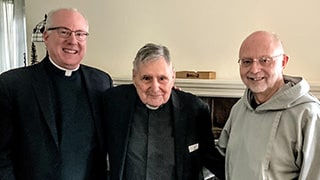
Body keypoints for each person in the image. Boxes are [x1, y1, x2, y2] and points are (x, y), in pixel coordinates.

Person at [0, 8, 113, 180]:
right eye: (64, 32)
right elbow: (1, 156)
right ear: (46, 37)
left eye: (80, 34)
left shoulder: (102, 82)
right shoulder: (12, 84)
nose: (73, 40)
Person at [103, 43, 225, 180]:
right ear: (134, 76)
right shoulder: (113, 102)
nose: (155, 88)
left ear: (173, 77)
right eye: (146, 78)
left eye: (162, 78)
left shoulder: (194, 109)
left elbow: (210, 158)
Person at [217, 30, 320, 179]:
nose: (254, 69)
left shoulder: (308, 114)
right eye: (247, 61)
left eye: (264, 60)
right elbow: (220, 160)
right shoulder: (239, 109)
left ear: (283, 62)